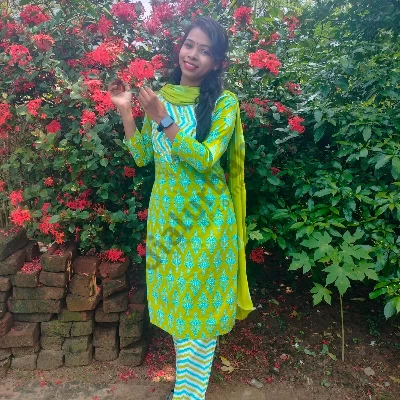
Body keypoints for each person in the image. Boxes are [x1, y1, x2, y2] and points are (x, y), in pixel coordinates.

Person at [108, 16, 254, 400]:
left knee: (199, 320)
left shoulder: (224, 104)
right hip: (168, 225)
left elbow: (205, 159)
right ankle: (187, 391)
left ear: (217, 62)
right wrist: (126, 111)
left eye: (205, 51)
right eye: (190, 44)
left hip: (208, 225)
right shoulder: (163, 97)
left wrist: (163, 118)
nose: (193, 54)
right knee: (178, 313)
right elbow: (143, 156)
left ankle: (189, 395)